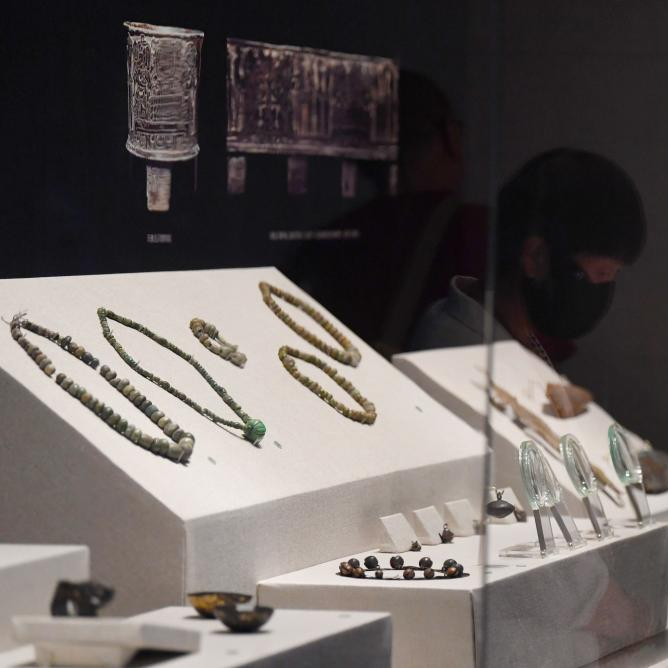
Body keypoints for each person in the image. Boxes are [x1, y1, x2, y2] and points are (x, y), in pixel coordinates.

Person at [410, 148, 646, 361]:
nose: (607, 286)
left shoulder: (504, 331)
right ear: (535, 257)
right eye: (602, 272)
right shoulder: (465, 357)